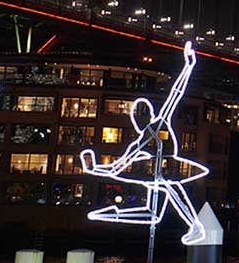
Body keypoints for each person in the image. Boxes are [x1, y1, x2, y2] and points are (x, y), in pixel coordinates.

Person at [80, 41, 207, 245]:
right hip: (155, 175)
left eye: (141, 115)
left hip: (170, 170)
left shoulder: (160, 124)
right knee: (153, 214)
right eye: (136, 116)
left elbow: (175, 94)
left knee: (170, 186)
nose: (138, 120)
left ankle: (195, 226)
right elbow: (116, 167)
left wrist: (188, 66)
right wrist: (94, 168)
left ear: (148, 116)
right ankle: (114, 215)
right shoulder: (138, 143)